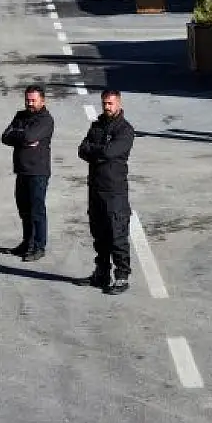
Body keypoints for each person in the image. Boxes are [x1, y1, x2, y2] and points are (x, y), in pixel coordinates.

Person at [77, 89, 135, 296]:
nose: (107, 107)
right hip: (95, 189)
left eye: (110, 103)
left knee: (117, 234)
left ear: (118, 104)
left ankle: (121, 276)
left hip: (115, 191)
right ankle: (101, 272)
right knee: (99, 234)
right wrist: (98, 150)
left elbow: (110, 152)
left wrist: (96, 150)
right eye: (104, 103)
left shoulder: (125, 130)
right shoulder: (97, 125)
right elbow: (82, 149)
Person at [1, 85, 55, 262]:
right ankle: (27, 242)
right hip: (21, 170)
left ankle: (39, 246)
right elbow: (5, 137)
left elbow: (29, 137)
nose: (30, 103)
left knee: (37, 211)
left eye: (33, 100)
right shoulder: (20, 115)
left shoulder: (46, 120)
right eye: (27, 100)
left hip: (38, 172)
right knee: (24, 209)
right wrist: (22, 136)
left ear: (42, 100)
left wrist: (21, 135)